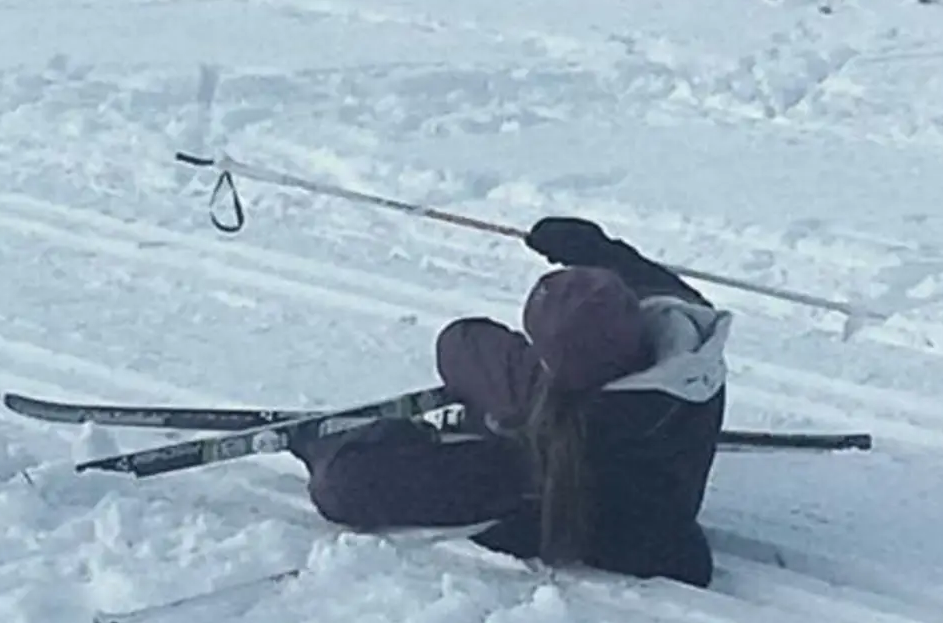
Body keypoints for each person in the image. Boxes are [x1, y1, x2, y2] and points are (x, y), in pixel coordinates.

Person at [292, 216, 732, 588]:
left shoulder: (562, 455)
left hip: (570, 447)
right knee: (463, 343)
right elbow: (646, 281)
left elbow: (348, 488)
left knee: (461, 345)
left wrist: (327, 445)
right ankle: (500, 406)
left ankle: (493, 416)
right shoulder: (688, 330)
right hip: (627, 424)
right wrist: (598, 249)